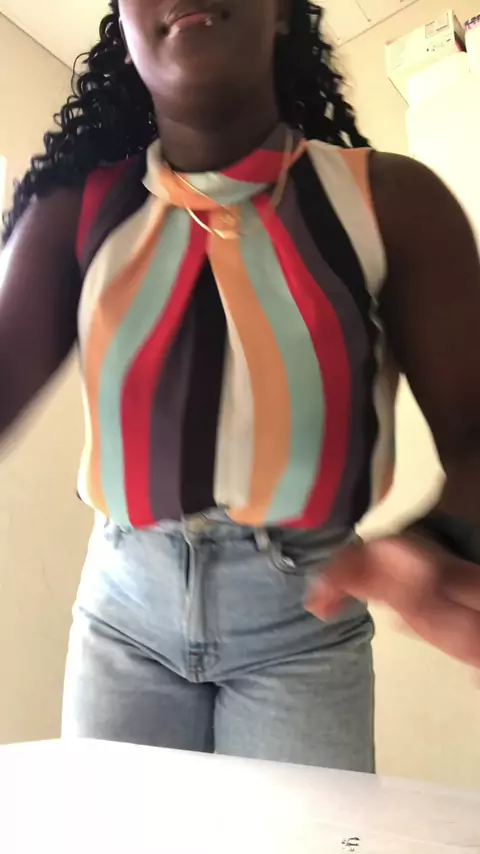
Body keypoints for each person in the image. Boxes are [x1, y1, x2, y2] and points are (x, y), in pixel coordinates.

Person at [1, 0, 480, 771]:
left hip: (305, 619)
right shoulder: (71, 216)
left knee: (305, 836)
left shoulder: (393, 205)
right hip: (122, 614)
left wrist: (439, 538)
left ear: (283, 12)